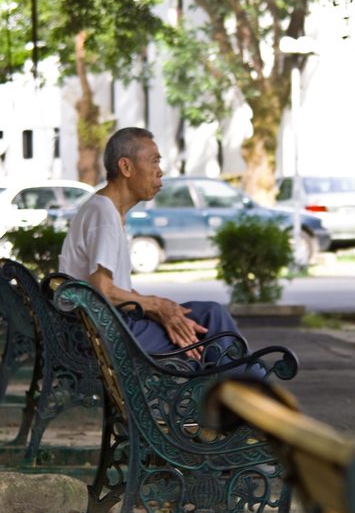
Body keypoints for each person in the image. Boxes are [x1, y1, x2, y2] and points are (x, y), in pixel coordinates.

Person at [59, 127, 241, 361]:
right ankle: (247, 387)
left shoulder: (104, 209)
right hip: (102, 334)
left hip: (101, 328)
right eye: (154, 162)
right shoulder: (104, 214)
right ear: (126, 167)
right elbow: (101, 291)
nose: (160, 172)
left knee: (205, 317)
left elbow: (117, 288)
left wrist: (158, 311)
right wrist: (156, 305)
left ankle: (237, 384)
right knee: (211, 324)